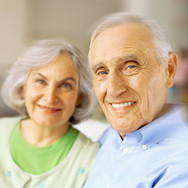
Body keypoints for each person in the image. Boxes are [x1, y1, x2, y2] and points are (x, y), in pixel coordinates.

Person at [84, 12, 188, 187]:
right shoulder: (108, 138)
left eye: (130, 66)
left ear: (169, 69)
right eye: (102, 72)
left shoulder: (181, 161)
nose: (113, 89)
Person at [0, 38, 99, 187]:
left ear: (80, 97)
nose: (50, 97)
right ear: (23, 88)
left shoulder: (92, 157)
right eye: (41, 81)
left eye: (65, 85)